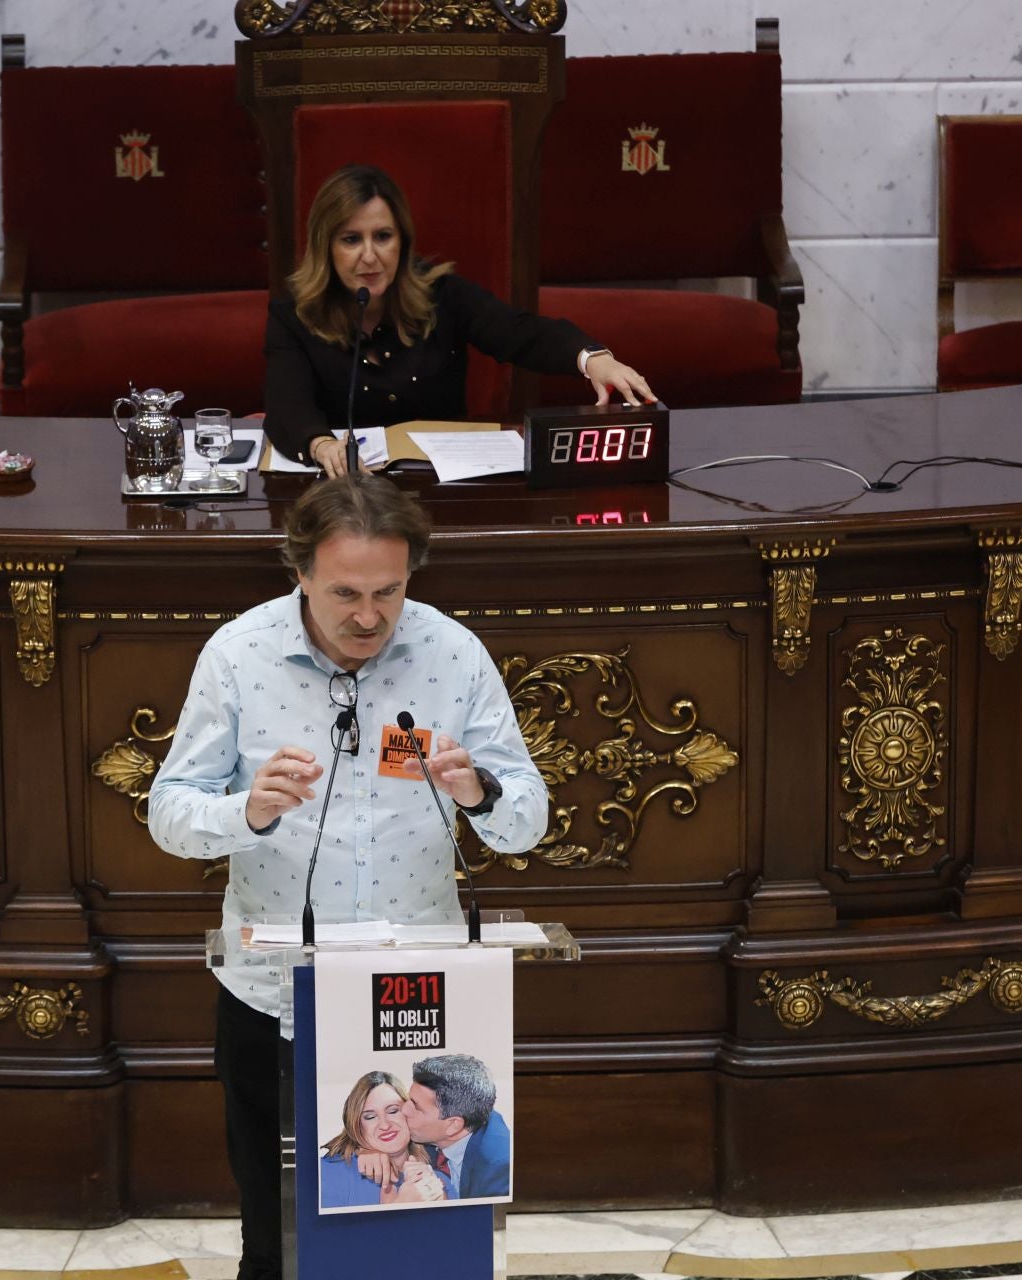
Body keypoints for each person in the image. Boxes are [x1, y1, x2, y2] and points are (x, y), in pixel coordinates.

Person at [148, 472, 547, 1280]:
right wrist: (247, 813)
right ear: (297, 571)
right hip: (271, 992)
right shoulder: (238, 655)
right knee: (281, 1235)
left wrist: (479, 792)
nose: (369, 616)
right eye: (345, 594)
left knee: (422, 1227)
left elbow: (529, 818)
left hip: (418, 993)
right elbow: (169, 815)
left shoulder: (451, 652)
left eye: (388, 592)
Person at [263, 163, 655, 477]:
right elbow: (287, 404)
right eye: (351, 239)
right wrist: (321, 445)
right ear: (325, 247)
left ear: (402, 240)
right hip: (342, 492)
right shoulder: (295, 313)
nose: (370, 256)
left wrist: (593, 359)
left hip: (441, 489)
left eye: (382, 236)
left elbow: (520, 332)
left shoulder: (441, 295)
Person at [318, 1071, 451, 1208]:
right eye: (370, 1117)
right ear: (357, 1125)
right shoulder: (328, 1173)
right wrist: (400, 1206)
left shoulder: (439, 1180)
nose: (385, 1125)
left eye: (393, 1111)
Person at [404, 1053, 512, 1200]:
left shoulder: (497, 1170)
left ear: (453, 1125)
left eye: (416, 1107)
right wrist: (367, 1151)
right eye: (409, 1099)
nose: (404, 1109)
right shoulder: (468, 1109)